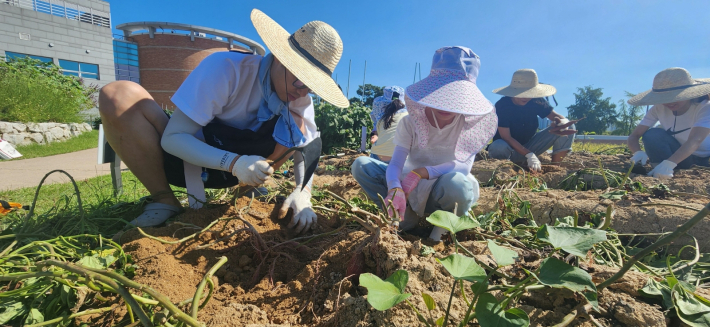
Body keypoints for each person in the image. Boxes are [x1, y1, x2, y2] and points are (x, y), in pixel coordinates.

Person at [98, 9, 349, 232]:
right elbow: (173, 138)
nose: (303, 91)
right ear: (281, 58)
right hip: (188, 159)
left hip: (243, 172)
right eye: (301, 81)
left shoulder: (299, 99)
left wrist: (303, 192)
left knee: (299, 128)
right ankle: (164, 200)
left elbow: (309, 147)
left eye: (312, 87)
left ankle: (246, 192)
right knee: (117, 96)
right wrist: (234, 163)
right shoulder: (227, 69)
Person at [351, 46, 497, 241]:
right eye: (443, 94)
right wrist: (395, 187)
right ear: (432, 91)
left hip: (442, 190)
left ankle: (438, 233)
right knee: (361, 165)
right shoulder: (410, 121)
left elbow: (463, 165)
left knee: (459, 185)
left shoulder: (467, 124)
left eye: (456, 97)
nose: (447, 104)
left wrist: (421, 173)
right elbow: (395, 163)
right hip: (409, 188)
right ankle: (402, 217)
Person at [627, 67, 710, 179]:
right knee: (653, 135)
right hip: (680, 156)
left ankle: (667, 167)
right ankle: (660, 170)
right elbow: (634, 136)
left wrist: (670, 163)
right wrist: (637, 152)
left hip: (704, 159)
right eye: (664, 98)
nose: (669, 102)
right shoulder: (658, 108)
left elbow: (695, 140)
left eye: (675, 97)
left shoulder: (704, 107)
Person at [488, 69, 576, 171]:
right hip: (508, 150)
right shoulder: (503, 106)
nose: (525, 97)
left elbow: (558, 117)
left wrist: (561, 123)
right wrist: (529, 155)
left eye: (529, 93)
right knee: (498, 146)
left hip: (530, 146)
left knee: (569, 125)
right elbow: (506, 137)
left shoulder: (536, 101)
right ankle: (503, 170)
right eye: (521, 93)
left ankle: (554, 169)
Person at [370, 87, 408, 162]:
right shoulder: (410, 117)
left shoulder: (381, 120)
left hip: (378, 157)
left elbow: (374, 138)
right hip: (403, 160)